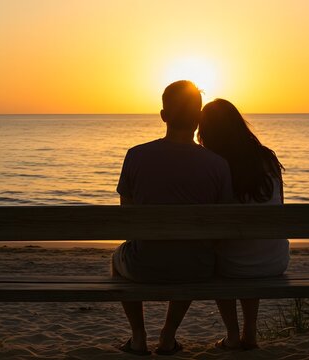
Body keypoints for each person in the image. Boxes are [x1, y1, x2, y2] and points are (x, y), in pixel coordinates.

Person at [111, 81, 233, 355]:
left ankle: (139, 337)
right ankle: (168, 336)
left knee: (116, 260)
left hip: (144, 266)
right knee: (190, 252)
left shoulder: (135, 156)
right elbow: (224, 221)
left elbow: (126, 217)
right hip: (197, 269)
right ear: (199, 119)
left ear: (163, 115)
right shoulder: (217, 164)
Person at [198, 98, 290, 350]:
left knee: (220, 257)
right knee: (251, 246)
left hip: (231, 265)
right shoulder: (267, 158)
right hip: (275, 260)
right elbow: (280, 204)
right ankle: (250, 333)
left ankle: (233, 335)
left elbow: (208, 219)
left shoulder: (213, 163)